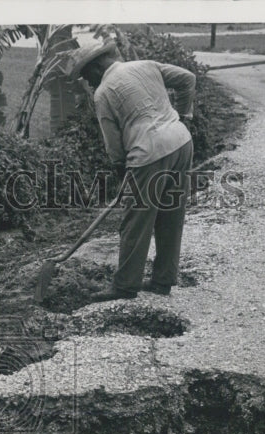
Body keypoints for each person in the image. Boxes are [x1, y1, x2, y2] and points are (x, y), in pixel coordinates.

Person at [69, 41, 196, 301]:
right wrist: (184, 116)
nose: (89, 82)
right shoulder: (146, 65)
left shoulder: (103, 92)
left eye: (87, 76)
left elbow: (113, 143)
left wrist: (120, 169)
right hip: (182, 143)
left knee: (135, 221)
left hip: (149, 152)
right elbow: (188, 79)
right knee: (170, 214)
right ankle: (163, 281)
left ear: (96, 67)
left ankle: (125, 287)